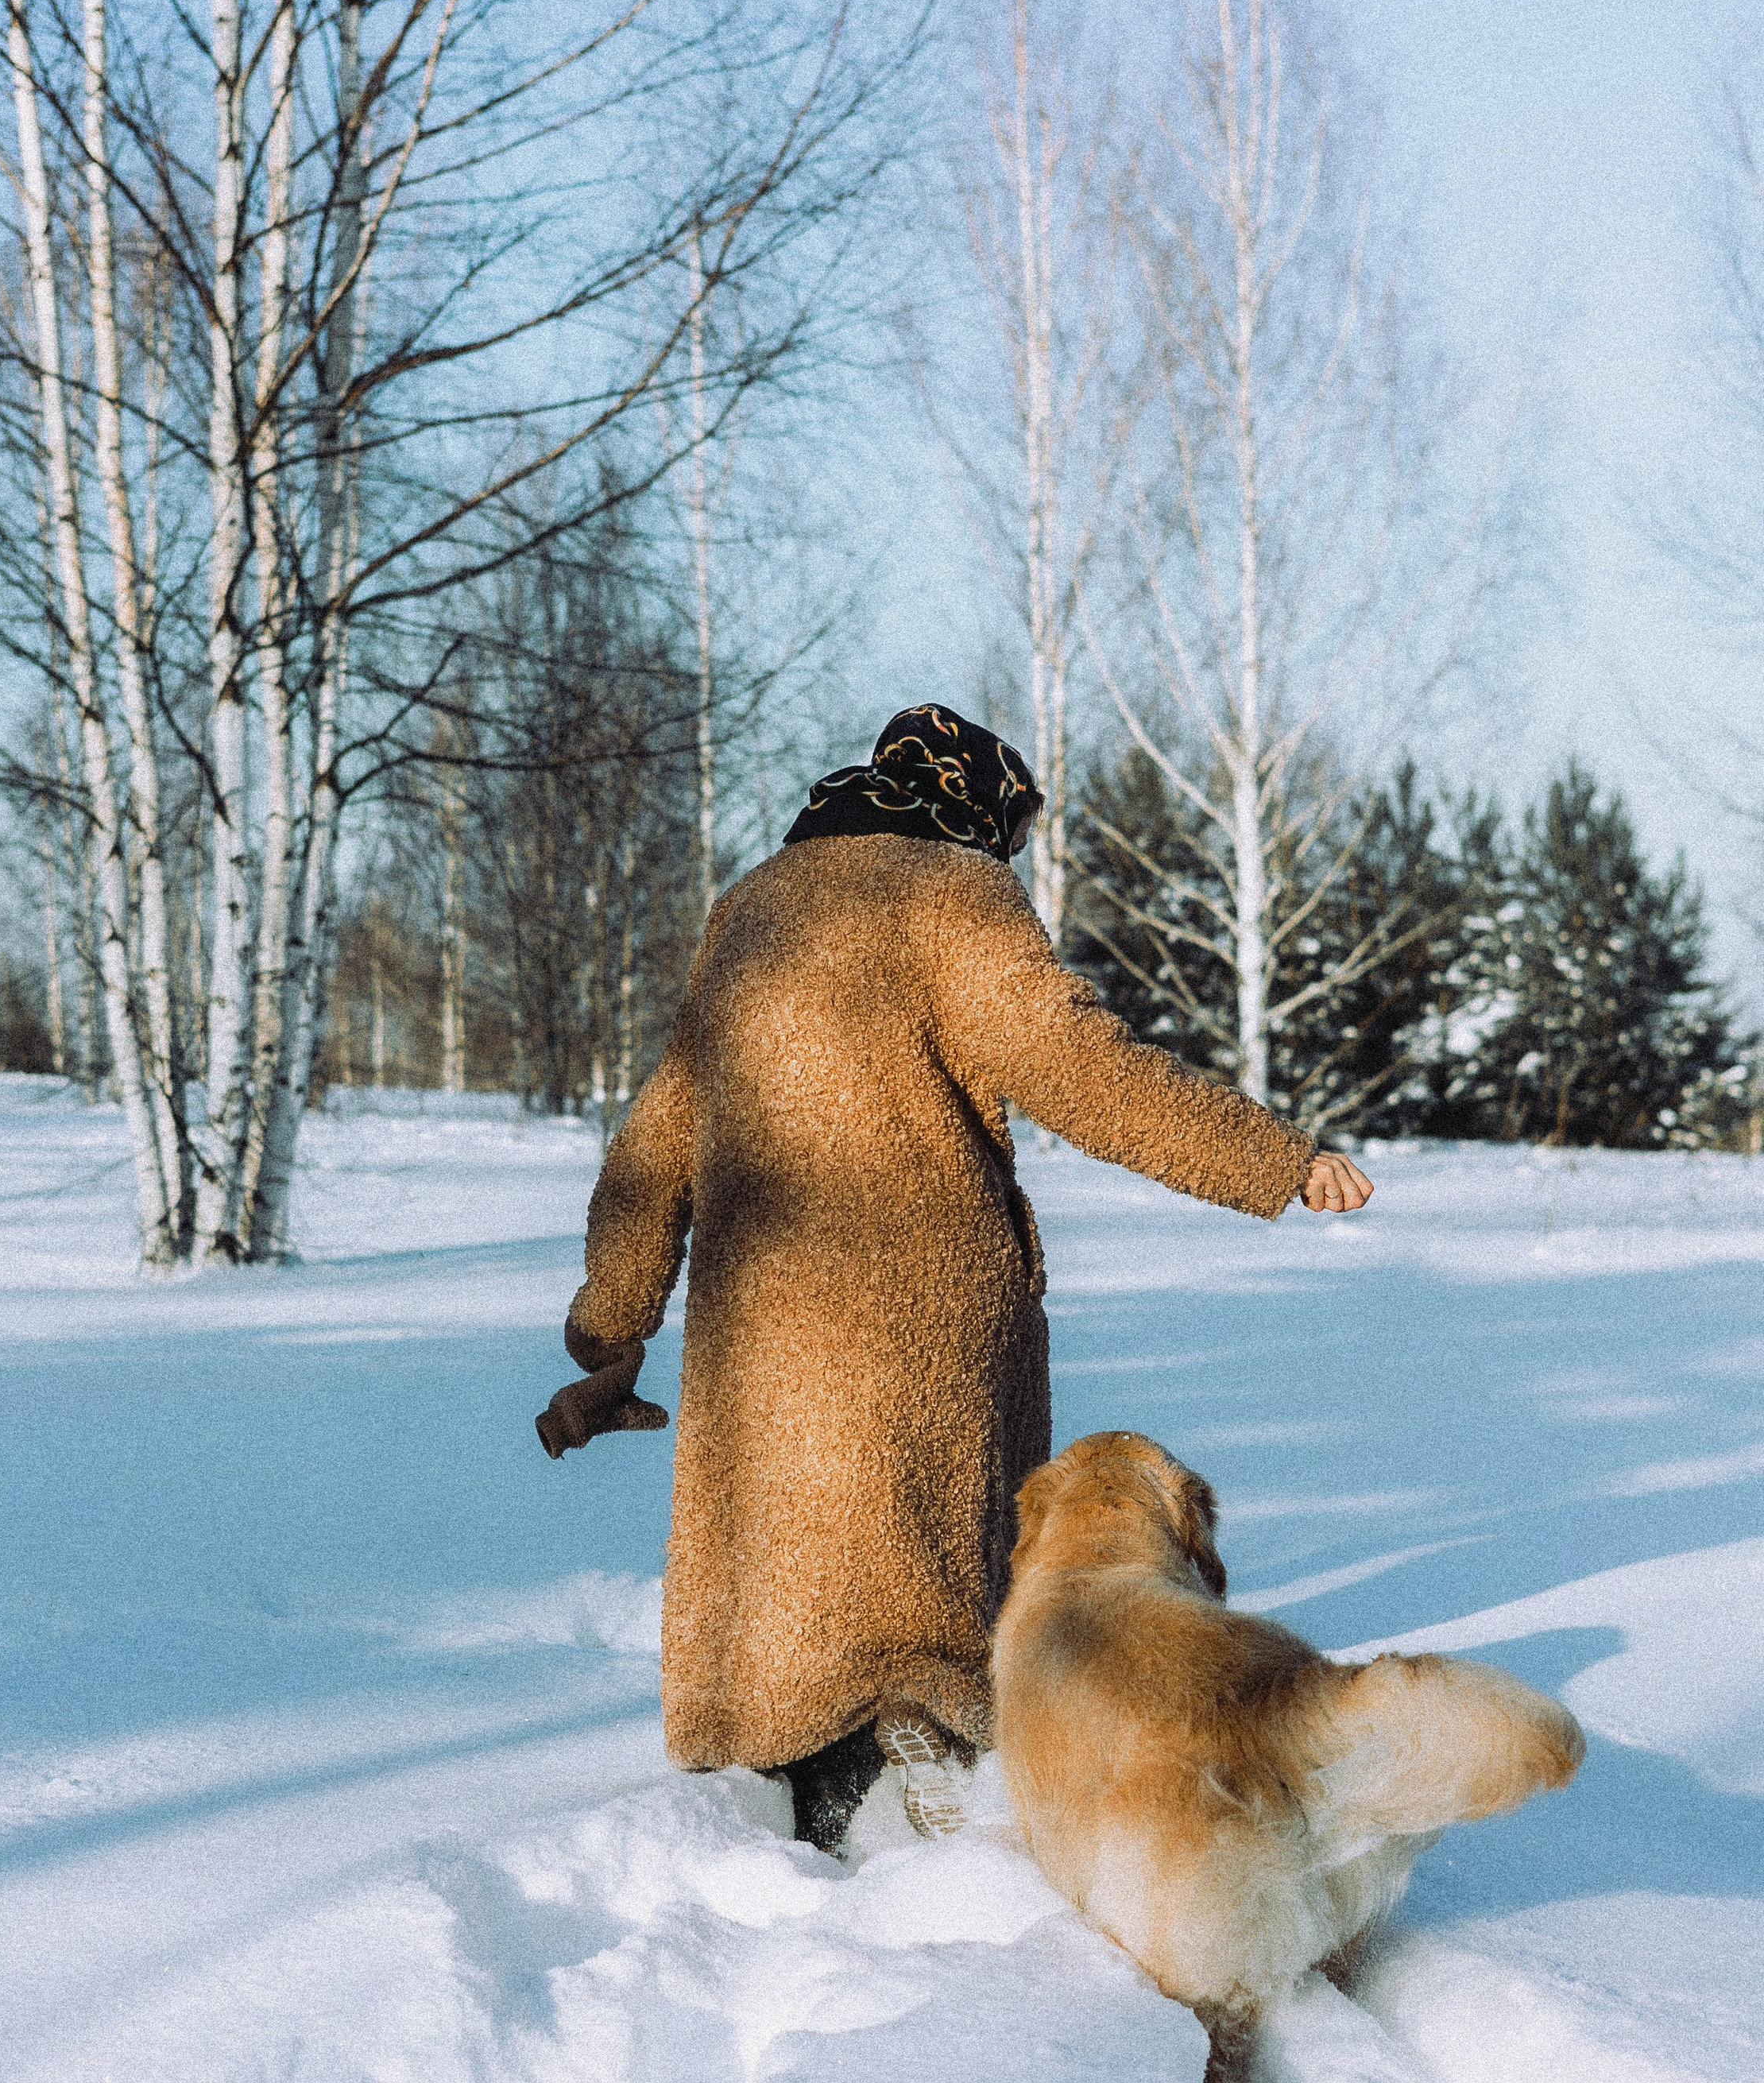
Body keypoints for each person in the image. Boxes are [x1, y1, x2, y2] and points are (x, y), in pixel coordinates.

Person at [536, 703, 1371, 1853]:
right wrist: (1277, 1161)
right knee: (915, 1586)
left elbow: (659, 1133)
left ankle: (794, 1782)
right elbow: (1079, 1063)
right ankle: (910, 1776)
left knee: (784, 1588)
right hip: (911, 1311)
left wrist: (611, 1319)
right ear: (977, 806)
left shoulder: (751, 910)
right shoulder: (950, 894)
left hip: (759, 1324)